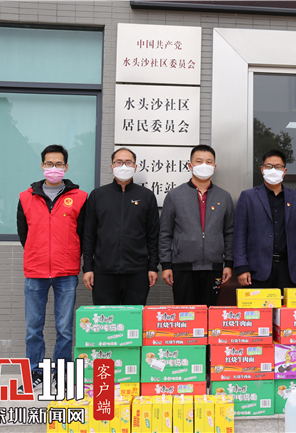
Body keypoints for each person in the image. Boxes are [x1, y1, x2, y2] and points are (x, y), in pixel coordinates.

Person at [17, 144, 87, 392]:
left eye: (58, 164)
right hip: (35, 272)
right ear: (42, 165)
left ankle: (61, 373)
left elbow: (83, 234)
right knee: (33, 329)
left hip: (65, 272)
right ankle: (35, 372)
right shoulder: (26, 197)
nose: (53, 168)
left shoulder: (80, 197)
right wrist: (38, 252)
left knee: (64, 329)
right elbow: (24, 234)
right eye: (49, 164)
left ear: (66, 167)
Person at [159, 145, 234, 306]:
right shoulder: (174, 195)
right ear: (190, 165)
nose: (204, 165)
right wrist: (165, 265)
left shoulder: (224, 197)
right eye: (199, 161)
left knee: (209, 314)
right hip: (182, 267)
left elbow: (229, 232)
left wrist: (228, 264)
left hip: (214, 267)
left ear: (214, 167)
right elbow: (165, 233)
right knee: (185, 315)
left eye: (209, 162)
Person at [82, 147, 159, 305]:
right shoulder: (98, 195)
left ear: (135, 167)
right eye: (119, 162)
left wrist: (153, 267)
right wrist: (88, 268)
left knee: (133, 318)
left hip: (138, 272)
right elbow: (89, 235)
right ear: (112, 166)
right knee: (106, 318)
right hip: (103, 272)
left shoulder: (146, 196)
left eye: (128, 162)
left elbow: (153, 235)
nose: (123, 166)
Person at [233, 149, 296, 289]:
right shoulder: (248, 197)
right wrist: (241, 267)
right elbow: (239, 234)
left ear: (284, 171)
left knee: (286, 304)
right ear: (262, 169)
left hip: (289, 270)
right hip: (256, 269)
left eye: (278, 167)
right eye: (268, 166)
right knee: (258, 305)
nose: (273, 170)